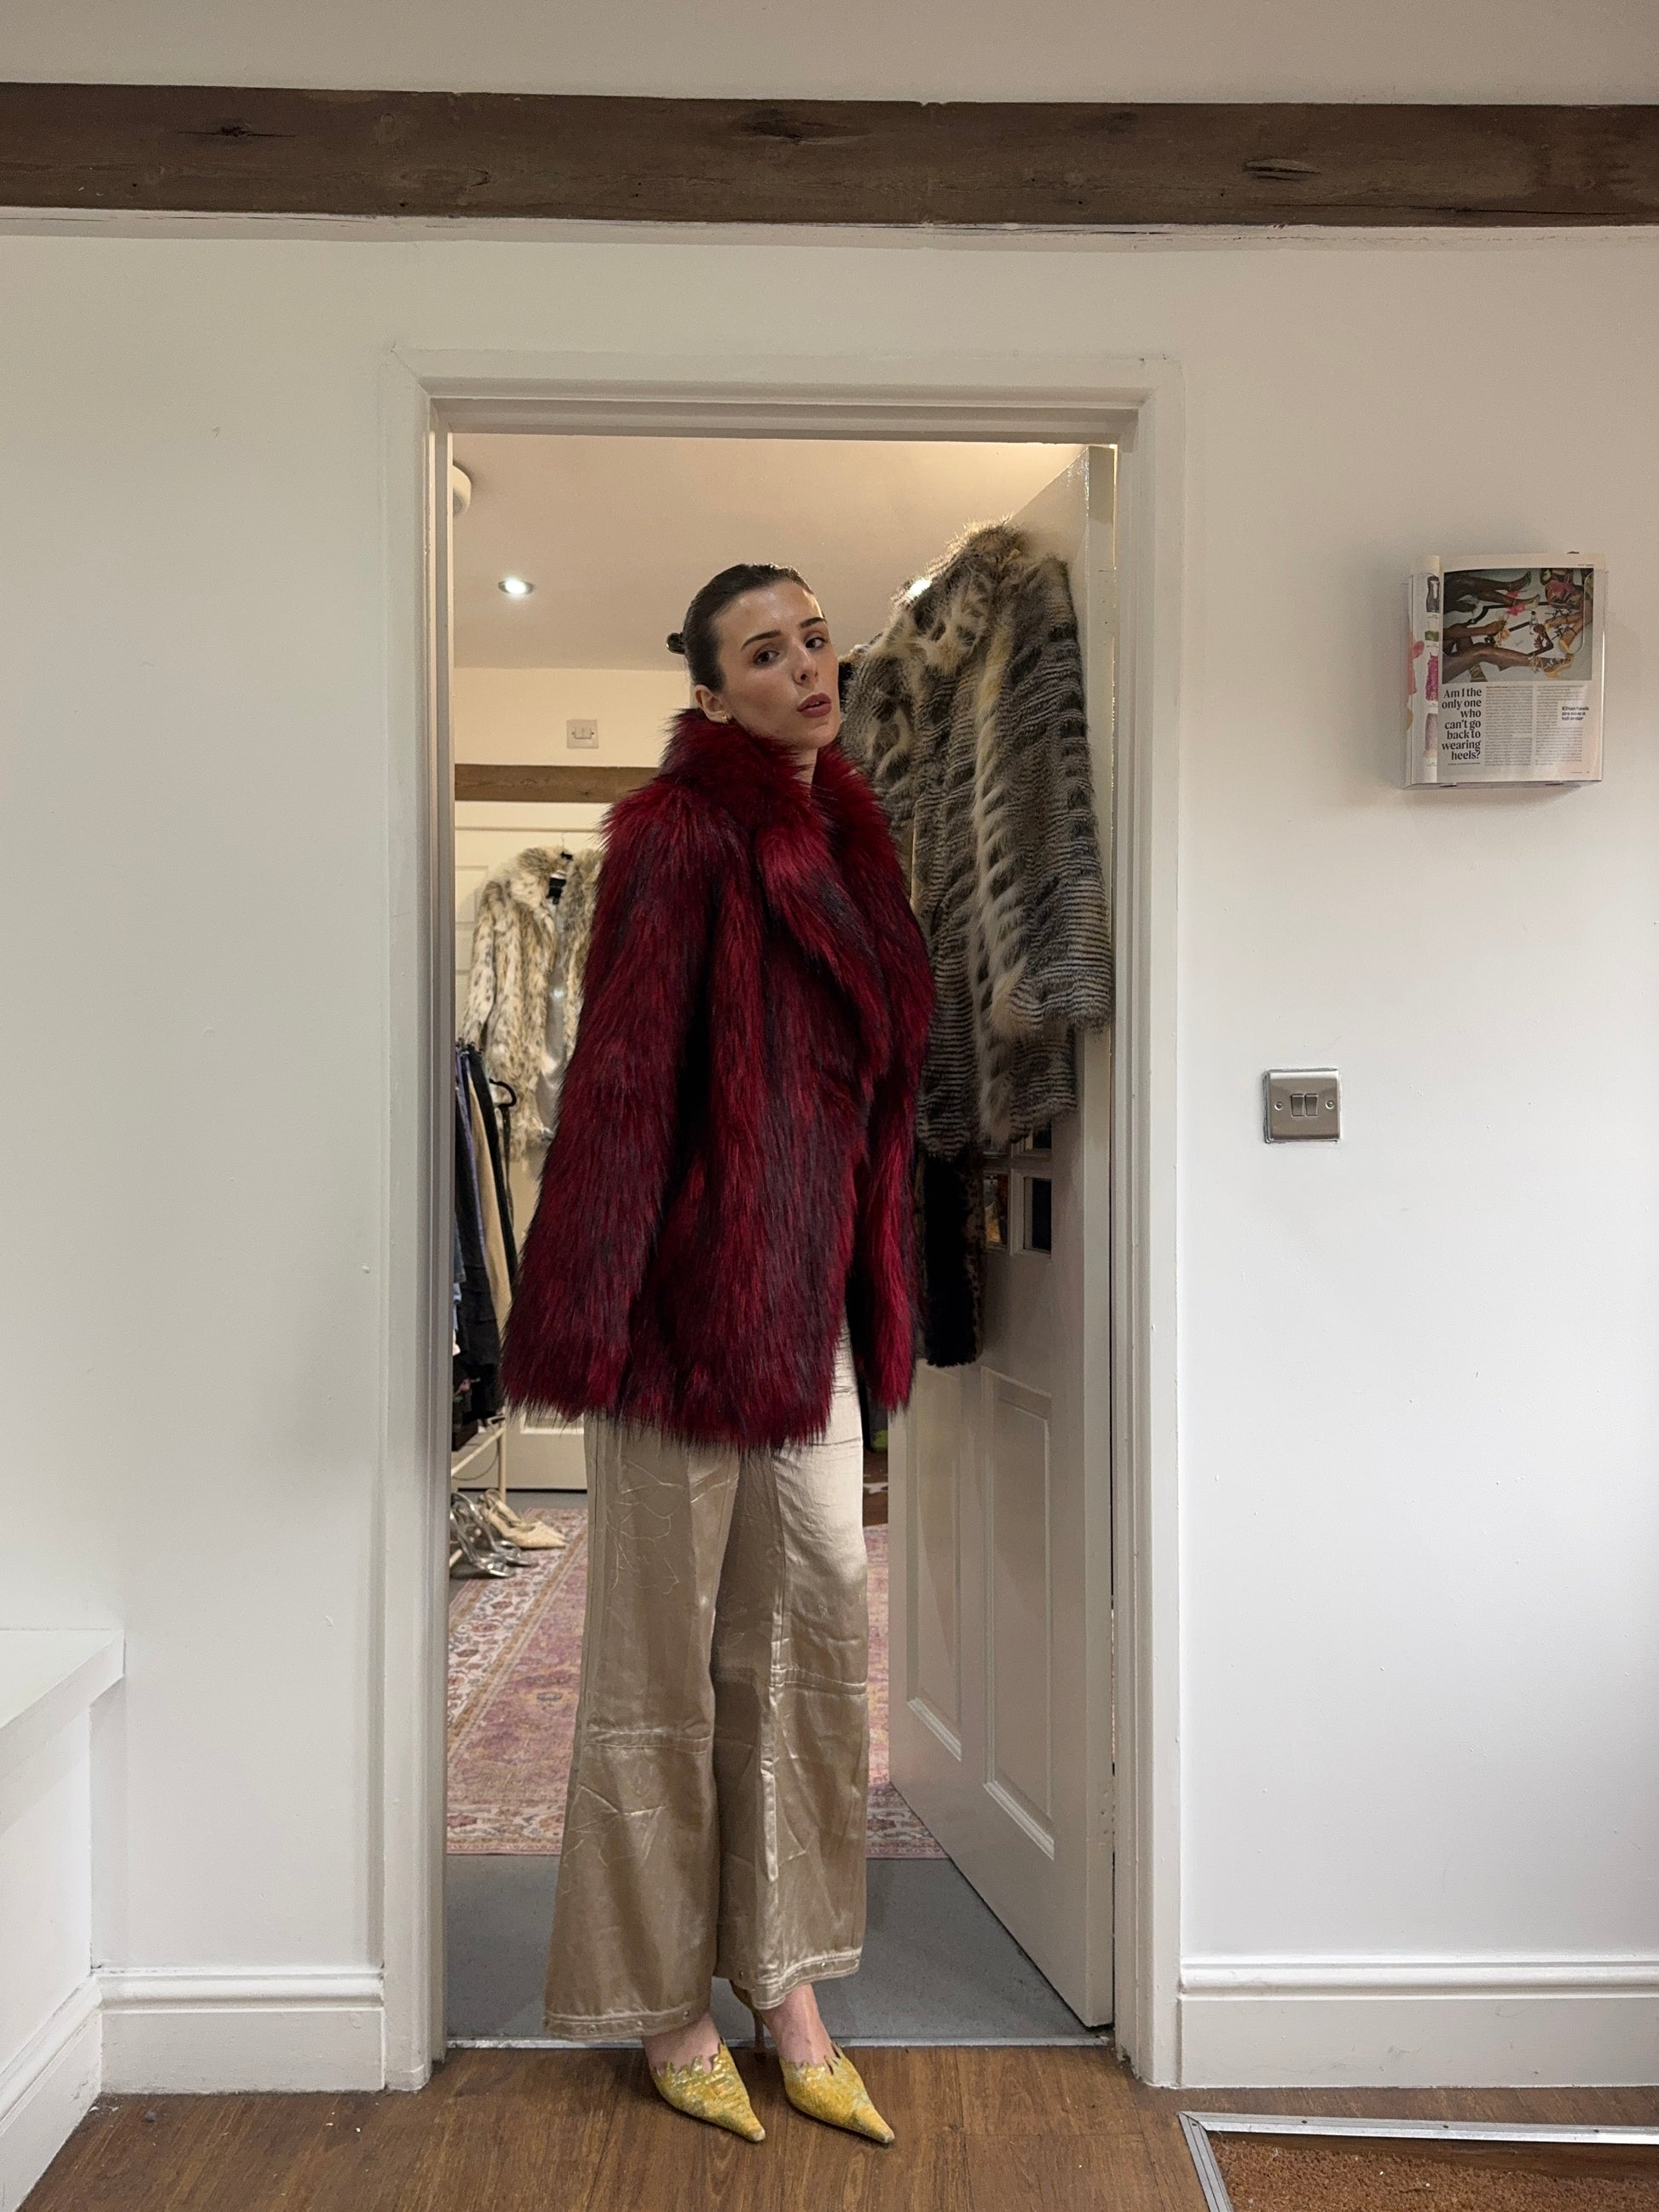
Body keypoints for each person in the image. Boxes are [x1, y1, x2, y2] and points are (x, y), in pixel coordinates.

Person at [502, 563, 934, 2148]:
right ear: (710, 692)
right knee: (654, 1675)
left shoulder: (858, 844)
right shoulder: (676, 835)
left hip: (809, 1327)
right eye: (766, 652)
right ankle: (662, 2005)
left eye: (815, 637)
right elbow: (621, 1084)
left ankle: (787, 1984)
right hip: (679, 1329)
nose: (808, 666)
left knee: (809, 1655)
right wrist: (594, 1321)